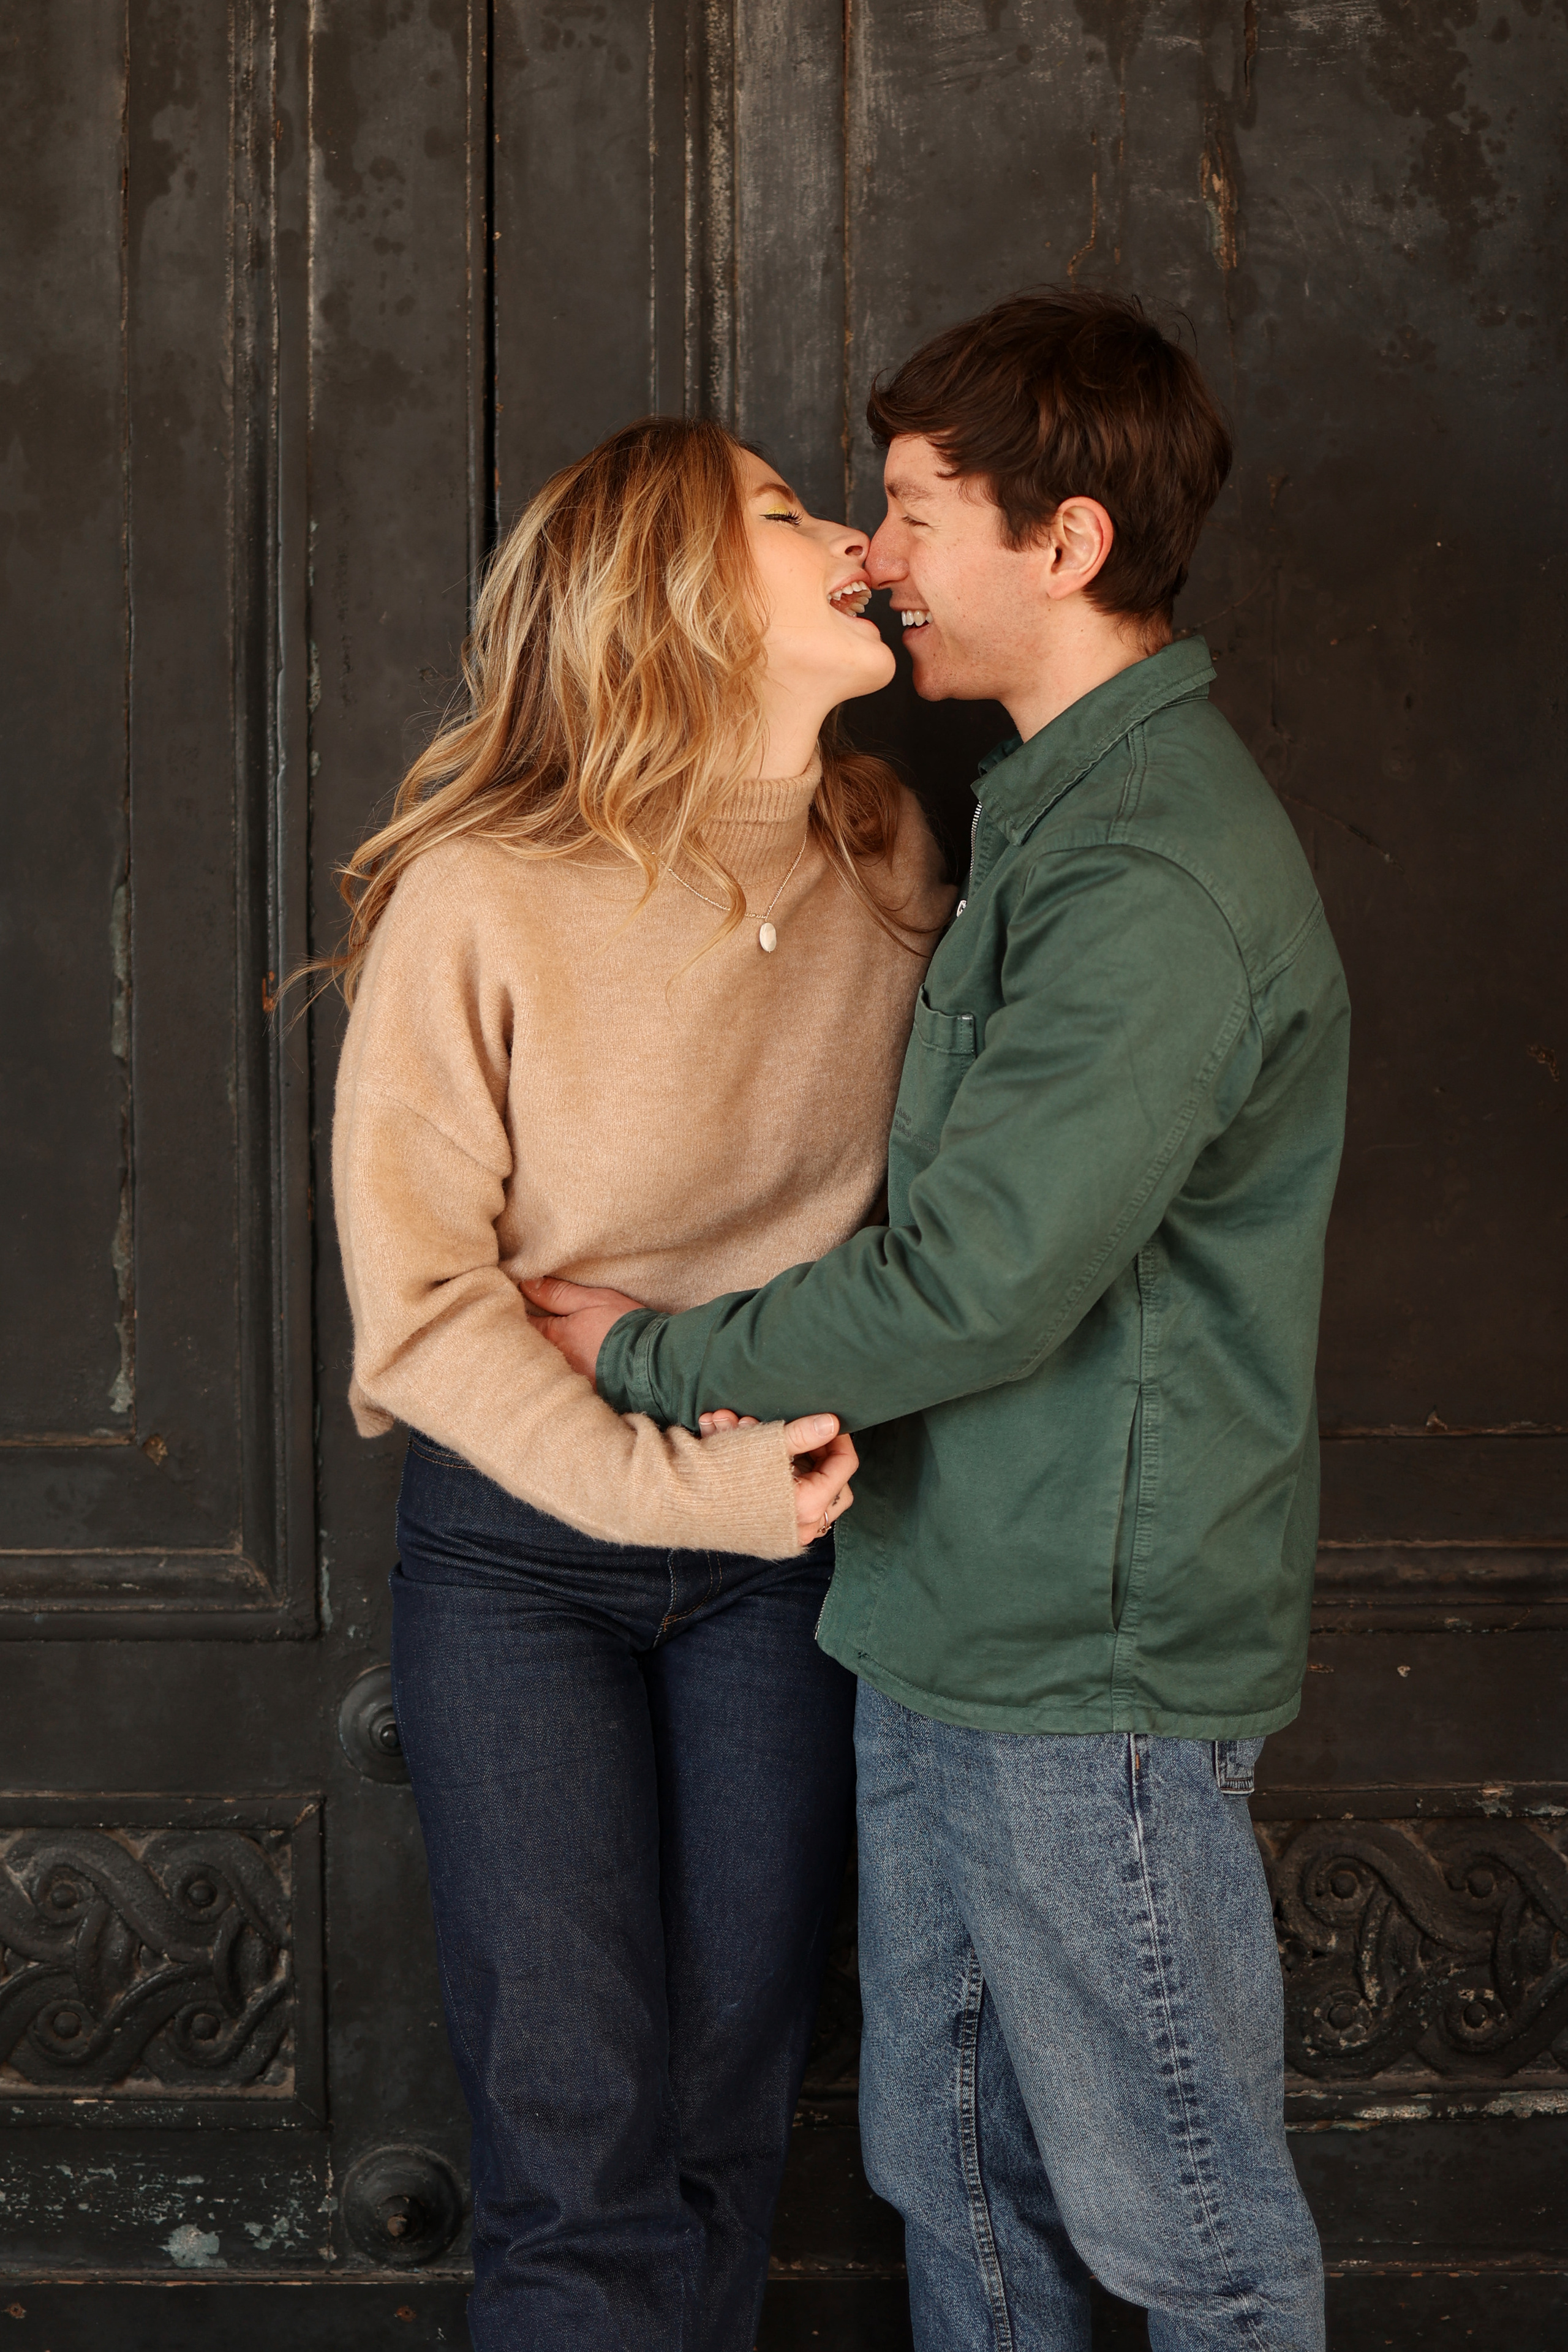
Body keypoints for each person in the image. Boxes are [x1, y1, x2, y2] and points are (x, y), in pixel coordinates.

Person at [529, 290, 1351, 2350]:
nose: (872, 553)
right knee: (959, 2185)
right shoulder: (1044, 807)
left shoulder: (1154, 867)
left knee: (1189, 2238)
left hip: (1093, 1669)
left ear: (1063, 546)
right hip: (942, 1618)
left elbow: (978, 1281)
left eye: (905, 507)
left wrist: (639, 1357)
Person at [326, 416, 952, 2349]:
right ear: (672, 592)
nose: (852, 534)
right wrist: (682, 1484)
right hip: (525, 1556)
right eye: (789, 514)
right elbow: (425, 1317)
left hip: (786, 1545)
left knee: (722, 2127)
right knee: (575, 2147)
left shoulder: (889, 854)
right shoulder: (482, 893)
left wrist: (756, 1475)